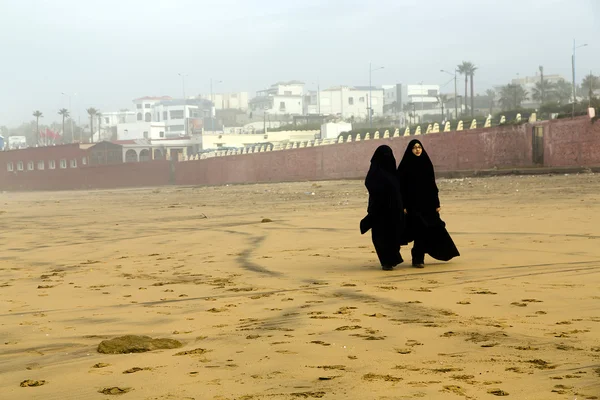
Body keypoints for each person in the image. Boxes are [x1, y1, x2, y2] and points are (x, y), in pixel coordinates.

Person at [397, 139, 460, 268]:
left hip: (428, 204)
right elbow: (401, 188)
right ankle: (417, 258)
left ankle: (418, 257)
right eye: (414, 148)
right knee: (419, 229)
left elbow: (432, 185)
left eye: (419, 147)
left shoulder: (426, 163)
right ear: (410, 150)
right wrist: (403, 205)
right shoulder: (405, 165)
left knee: (426, 230)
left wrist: (437, 203)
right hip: (412, 205)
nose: (417, 150)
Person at [361, 145, 405, 271]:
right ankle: (386, 262)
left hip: (394, 210)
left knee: (393, 236)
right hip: (379, 210)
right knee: (380, 238)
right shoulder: (375, 173)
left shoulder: (394, 173)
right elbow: (370, 185)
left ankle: (391, 259)